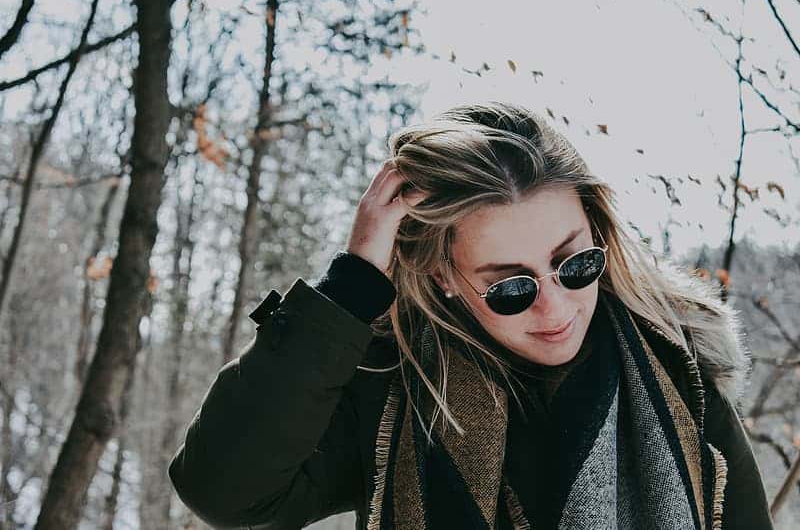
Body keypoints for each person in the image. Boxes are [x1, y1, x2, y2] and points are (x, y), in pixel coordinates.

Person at [168, 101, 774, 529]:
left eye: (576, 264)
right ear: (444, 277)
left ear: (598, 232)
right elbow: (226, 492)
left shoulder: (677, 374)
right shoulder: (397, 393)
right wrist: (349, 289)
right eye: (510, 287)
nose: (555, 306)